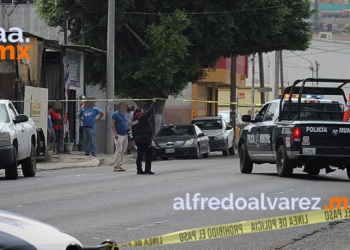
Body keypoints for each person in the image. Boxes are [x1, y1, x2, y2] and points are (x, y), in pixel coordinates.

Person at [132, 98, 156, 175]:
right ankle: (147, 170)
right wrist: (153, 103)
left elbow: (133, 132)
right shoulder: (141, 118)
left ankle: (139, 170)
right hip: (145, 138)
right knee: (148, 153)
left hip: (138, 139)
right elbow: (149, 112)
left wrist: (135, 140)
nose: (143, 112)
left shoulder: (134, 121)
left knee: (139, 155)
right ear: (140, 113)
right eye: (142, 111)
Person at [111, 102, 128, 172]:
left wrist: (129, 129)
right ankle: (116, 166)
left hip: (125, 134)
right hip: (119, 135)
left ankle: (120, 165)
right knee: (119, 150)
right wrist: (115, 133)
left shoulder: (125, 115)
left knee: (123, 150)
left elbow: (125, 123)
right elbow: (112, 124)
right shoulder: (115, 114)